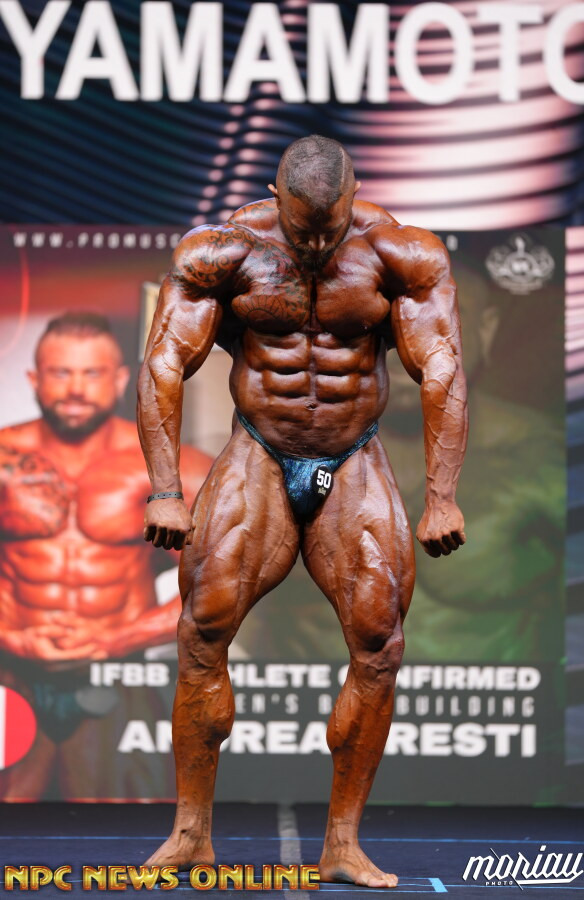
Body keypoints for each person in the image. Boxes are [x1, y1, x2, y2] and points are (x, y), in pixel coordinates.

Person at [138, 135, 468, 888]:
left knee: (379, 642)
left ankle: (343, 844)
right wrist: (165, 489)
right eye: (301, 228)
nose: (317, 245)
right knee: (202, 630)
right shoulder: (222, 252)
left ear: (354, 197)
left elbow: (441, 368)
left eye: (330, 227)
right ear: (275, 198)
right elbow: (165, 362)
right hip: (259, 449)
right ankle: (190, 834)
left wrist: (442, 496)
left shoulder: (401, 254)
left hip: (354, 455)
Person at [0, 312, 211, 799]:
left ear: (119, 380)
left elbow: (215, 587)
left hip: (118, 676)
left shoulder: (170, 471)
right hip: (11, 670)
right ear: (34, 378)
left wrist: (111, 640)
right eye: (61, 372)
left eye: (91, 373)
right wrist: (12, 638)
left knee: (118, 817)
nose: (76, 388)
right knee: (9, 812)